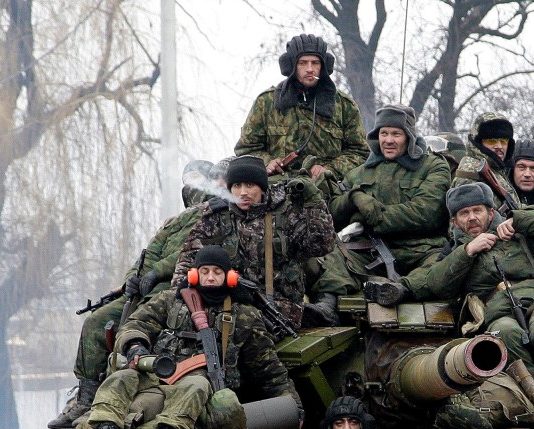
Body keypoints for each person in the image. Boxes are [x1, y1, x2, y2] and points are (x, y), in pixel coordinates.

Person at [364, 183, 534, 429]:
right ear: (455, 221)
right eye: (464, 214)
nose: (472, 217)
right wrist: (467, 251)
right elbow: (434, 282)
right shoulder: (454, 253)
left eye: (477, 210)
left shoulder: (517, 236)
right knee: (507, 336)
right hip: (497, 310)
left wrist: (517, 219)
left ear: (490, 211)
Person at [49, 160, 228, 429]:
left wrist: (155, 272)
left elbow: (189, 256)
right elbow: (151, 250)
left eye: (200, 180)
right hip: (142, 291)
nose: (194, 187)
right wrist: (132, 279)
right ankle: (86, 399)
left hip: (171, 289)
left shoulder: (216, 217)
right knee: (96, 322)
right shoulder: (178, 220)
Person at [85, 246, 302, 429]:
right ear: (194, 274)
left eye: (217, 272)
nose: (210, 278)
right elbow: (136, 324)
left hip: (200, 397)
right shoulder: (170, 301)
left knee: (196, 384)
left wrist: (294, 407)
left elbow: (269, 370)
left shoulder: (244, 316)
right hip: (155, 381)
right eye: (205, 271)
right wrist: (135, 346)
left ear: (230, 277)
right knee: (122, 378)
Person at [171, 155, 336, 332]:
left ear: (262, 188)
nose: (243, 192)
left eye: (250, 185)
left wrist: (314, 203)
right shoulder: (215, 218)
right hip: (227, 305)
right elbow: (187, 263)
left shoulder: (285, 215)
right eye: (236, 186)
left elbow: (322, 245)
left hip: (278, 312)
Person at [310, 103, 451, 303]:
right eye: (384, 133)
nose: (389, 140)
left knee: (440, 264)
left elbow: (426, 212)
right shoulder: (360, 172)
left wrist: (371, 216)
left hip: (422, 249)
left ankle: (400, 290)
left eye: (396, 134)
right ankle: (327, 304)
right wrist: (351, 200)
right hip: (371, 250)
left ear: (409, 136)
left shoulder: (433, 166)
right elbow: (331, 216)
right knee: (334, 256)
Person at [235, 33, 369, 191]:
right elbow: (246, 149)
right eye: (303, 63)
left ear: (324, 66)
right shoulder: (267, 103)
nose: (310, 69)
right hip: (278, 189)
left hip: (327, 190)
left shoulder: (343, 106)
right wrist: (267, 162)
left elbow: (360, 152)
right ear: (291, 65)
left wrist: (330, 169)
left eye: (315, 63)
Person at [451, 112, 518, 213]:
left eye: (503, 141)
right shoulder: (470, 173)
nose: (499, 146)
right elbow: (472, 221)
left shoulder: (495, 170)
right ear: (478, 142)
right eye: (491, 141)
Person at [509, 139, 534, 206]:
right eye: (521, 167)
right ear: (512, 170)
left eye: (533, 168)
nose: (527, 174)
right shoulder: (498, 197)